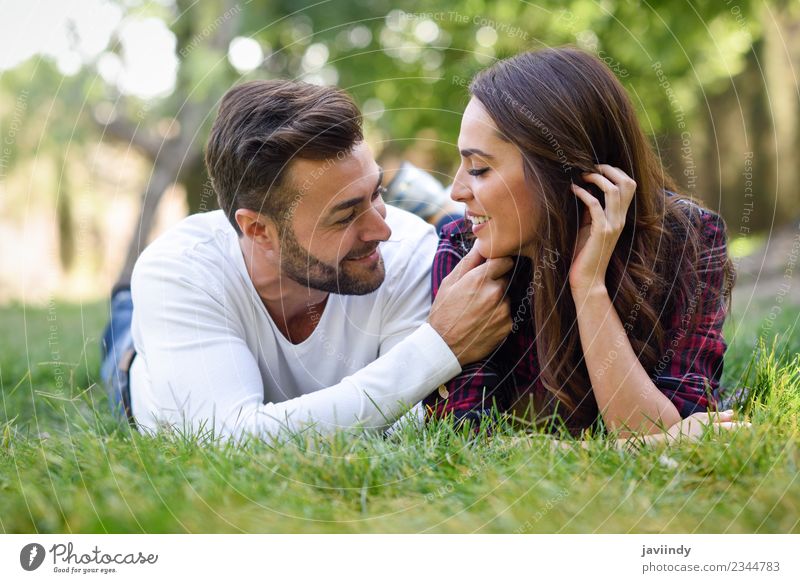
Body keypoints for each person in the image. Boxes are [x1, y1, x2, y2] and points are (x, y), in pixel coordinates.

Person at [101, 79, 515, 442]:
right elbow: (229, 439)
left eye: (376, 193)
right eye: (345, 214)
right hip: (138, 367)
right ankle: (125, 307)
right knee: (125, 328)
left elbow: (406, 425)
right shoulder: (179, 271)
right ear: (259, 230)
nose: (382, 230)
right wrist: (437, 347)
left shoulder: (408, 250)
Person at [423, 47, 742, 439]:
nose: (456, 192)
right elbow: (466, 438)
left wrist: (588, 286)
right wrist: (639, 446)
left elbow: (670, 422)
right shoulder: (462, 253)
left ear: (562, 173)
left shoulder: (687, 239)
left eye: (478, 169)